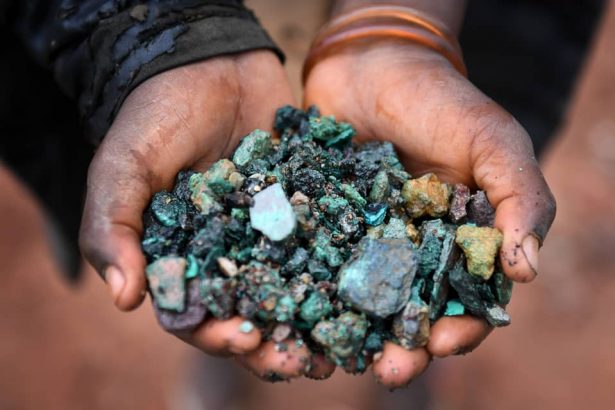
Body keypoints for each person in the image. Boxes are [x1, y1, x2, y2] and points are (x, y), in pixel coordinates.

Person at [1, 0, 564, 389]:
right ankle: (244, 321)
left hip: (448, 45)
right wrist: (165, 40)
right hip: (223, 27)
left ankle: (405, 322)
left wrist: (401, 20)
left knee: (455, 169)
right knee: (204, 240)